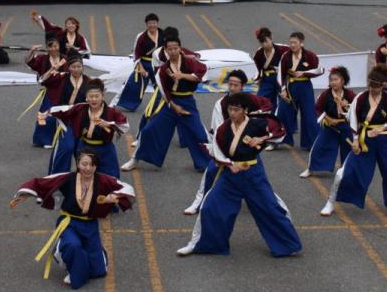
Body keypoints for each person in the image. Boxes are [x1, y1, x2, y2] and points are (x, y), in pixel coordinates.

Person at [178, 93, 301, 258]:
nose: (232, 113)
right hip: (230, 176)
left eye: (236, 110)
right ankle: (202, 244)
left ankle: (288, 245)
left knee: (270, 208)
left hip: (253, 174)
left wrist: (263, 138)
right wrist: (229, 164)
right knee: (210, 206)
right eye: (230, 109)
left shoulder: (257, 124)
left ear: (245, 110)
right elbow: (216, 150)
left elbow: (280, 132)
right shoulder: (223, 128)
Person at [10, 150, 134, 289]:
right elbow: (42, 183)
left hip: (89, 224)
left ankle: (96, 254)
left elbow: (127, 188)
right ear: (77, 164)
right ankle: (71, 264)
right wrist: (25, 194)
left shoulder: (104, 180)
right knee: (72, 245)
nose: (88, 168)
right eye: (84, 164)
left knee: (97, 272)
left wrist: (114, 196)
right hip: (69, 222)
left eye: (92, 165)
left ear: (96, 166)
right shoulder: (68, 178)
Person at [320, 65, 387, 217]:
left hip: (383, 139)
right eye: (370, 86)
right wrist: (356, 139)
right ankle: (331, 201)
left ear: (383, 85)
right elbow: (353, 118)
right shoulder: (361, 98)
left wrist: (383, 127)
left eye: (376, 87)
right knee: (347, 172)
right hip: (364, 139)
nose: (372, 89)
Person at [184, 69, 273, 215]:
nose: (232, 88)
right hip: (226, 149)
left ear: (242, 86)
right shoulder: (221, 104)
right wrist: (223, 155)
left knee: (260, 183)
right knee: (210, 174)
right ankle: (198, 203)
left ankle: (271, 207)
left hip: (247, 152)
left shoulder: (251, 100)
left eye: (235, 85)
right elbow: (218, 129)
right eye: (230, 84)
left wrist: (257, 120)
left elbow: (267, 108)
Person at [122, 34, 212, 172]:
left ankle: (208, 164)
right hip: (170, 104)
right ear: (165, 50)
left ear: (180, 49)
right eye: (170, 49)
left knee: (199, 133)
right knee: (149, 130)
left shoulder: (189, 63)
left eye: (175, 48)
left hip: (187, 102)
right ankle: (135, 159)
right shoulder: (163, 69)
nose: (173, 51)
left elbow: (201, 73)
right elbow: (164, 92)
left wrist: (182, 75)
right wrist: (174, 106)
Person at [45, 78, 129, 178]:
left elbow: (125, 124)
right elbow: (63, 110)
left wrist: (110, 124)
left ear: (103, 96)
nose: (94, 99)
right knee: (85, 176)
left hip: (105, 149)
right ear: (86, 98)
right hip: (85, 148)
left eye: (97, 96)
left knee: (109, 178)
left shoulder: (111, 111)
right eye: (91, 96)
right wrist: (46, 113)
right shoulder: (80, 108)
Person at [301, 66, 355, 177]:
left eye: (336, 80)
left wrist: (347, 105)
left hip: (345, 125)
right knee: (319, 146)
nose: (333, 82)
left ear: (343, 81)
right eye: (331, 80)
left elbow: (358, 109)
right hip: (330, 126)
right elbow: (317, 109)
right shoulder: (325, 94)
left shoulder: (350, 94)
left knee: (348, 149)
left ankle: (345, 170)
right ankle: (311, 168)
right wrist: (328, 119)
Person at [276, 31, 323, 150]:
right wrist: (283, 89)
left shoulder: (310, 56)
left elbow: (320, 70)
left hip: (305, 87)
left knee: (309, 115)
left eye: (295, 43)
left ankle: (310, 143)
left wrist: (304, 73)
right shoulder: (286, 56)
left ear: (301, 43)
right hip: (290, 86)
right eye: (290, 42)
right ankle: (282, 139)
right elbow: (280, 73)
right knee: (283, 111)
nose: (292, 45)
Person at [39, 52, 91, 148]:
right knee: (66, 147)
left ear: (83, 67)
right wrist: (52, 69)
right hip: (64, 113)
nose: (76, 69)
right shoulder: (62, 76)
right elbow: (43, 80)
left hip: (80, 114)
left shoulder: (88, 81)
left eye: (79, 66)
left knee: (79, 147)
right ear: (68, 68)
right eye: (73, 67)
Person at [25, 34, 67, 147]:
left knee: (64, 114)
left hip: (64, 91)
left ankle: (62, 138)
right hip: (50, 91)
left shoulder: (65, 58)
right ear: (47, 48)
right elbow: (29, 61)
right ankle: (43, 139)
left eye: (56, 46)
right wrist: (31, 51)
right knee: (45, 115)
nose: (54, 49)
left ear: (59, 46)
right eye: (51, 47)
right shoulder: (42, 59)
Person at [116, 13, 162, 112]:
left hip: (158, 65)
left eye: (154, 23)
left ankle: (160, 105)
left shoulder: (163, 34)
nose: (152, 25)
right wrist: (140, 67)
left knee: (160, 85)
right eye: (150, 23)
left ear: (157, 23)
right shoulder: (141, 36)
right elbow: (136, 53)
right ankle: (127, 104)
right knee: (134, 84)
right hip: (144, 63)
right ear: (146, 24)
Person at [251, 27, 289, 107]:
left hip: (281, 79)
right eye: (261, 42)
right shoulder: (258, 54)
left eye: (266, 41)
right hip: (267, 80)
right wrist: (258, 80)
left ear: (271, 38)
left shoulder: (284, 49)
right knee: (261, 102)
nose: (264, 44)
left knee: (286, 103)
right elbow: (259, 69)